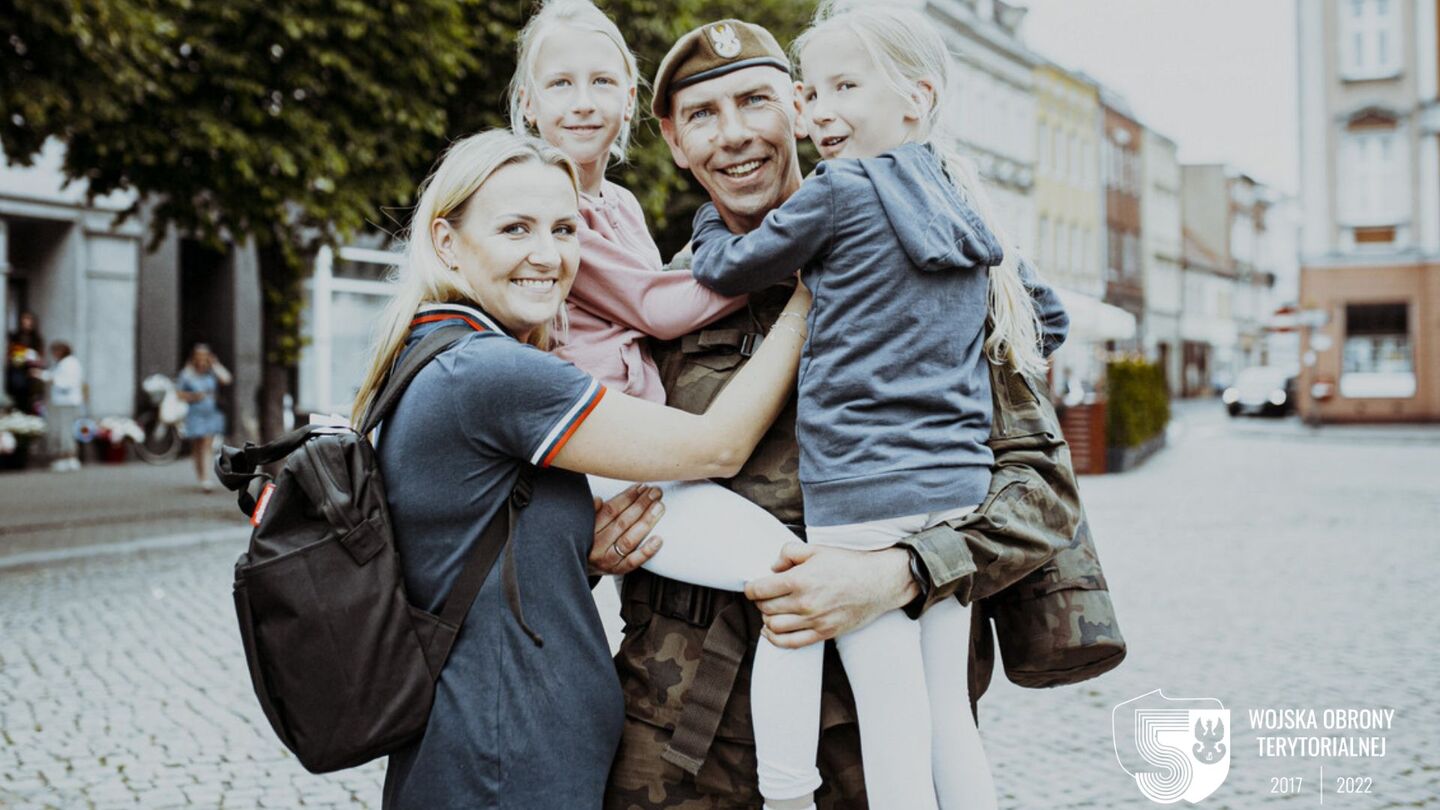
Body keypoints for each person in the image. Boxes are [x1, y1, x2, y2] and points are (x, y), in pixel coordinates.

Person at [606, 16, 1070, 810]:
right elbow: (576, 472)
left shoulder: (938, 259)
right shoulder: (656, 301)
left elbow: (1043, 499)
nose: (734, 134)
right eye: (703, 115)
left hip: (864, 751)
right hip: (678, 744)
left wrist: (900, 572)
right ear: (675, 143)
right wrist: (592, 538)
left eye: (756, 101)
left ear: (796, 112)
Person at [353, 129, 811, 810]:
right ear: (446, 242)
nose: (548, 255)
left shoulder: (437, 350)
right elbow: (718, 446)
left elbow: (465, 546)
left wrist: (576, 550)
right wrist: (806, 299)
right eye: (515, 228)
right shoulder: (492, 372)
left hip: (500, 751)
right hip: (507, 763)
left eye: (565, 229)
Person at [507, 7, 833, 803]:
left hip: (647, 449)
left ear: (628, 101)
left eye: (601, 81)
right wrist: (797, 269)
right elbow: (655, 311)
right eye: (560, 84)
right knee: (788, 576)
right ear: (527, 104)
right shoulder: (552, 210)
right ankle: (793, 790)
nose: (582, 101)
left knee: (798, 586)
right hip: (617, 459)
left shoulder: (619, 207)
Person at [177, 343, 232, 492]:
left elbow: (227, 379)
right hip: (195, 413)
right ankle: (201, 476)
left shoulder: (211, 372)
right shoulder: (187, 373)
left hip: (211, 413)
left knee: (207, 443)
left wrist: (215, 364)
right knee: (197, 445)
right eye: (199, 355)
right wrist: (193, 396)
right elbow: (179, 394)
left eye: (205, 356)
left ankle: (206, 478)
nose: (201, 359)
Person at [35, 340, 83, 471]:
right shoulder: (63, 363)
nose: (54, 354)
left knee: (65, 430)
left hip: (66, 401)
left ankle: (68, 457)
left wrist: (47, 378)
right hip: (62, 401)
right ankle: (65, 457)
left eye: (55, 351)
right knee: (62, 430)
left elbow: (65, 382)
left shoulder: (70, 363)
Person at [7, 311, 45, 415]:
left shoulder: (36, 339)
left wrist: (36, 361)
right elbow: (11, 354)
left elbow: (41, 356)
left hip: (33, 368)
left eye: (29, 321)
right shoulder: (15, 337)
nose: (27, 324)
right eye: (25, 321)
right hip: (18, 367)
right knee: (18, 384)